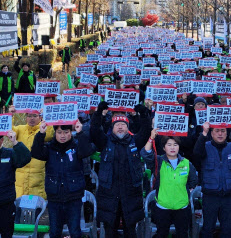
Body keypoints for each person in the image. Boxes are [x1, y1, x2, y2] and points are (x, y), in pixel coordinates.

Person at [90, 101, 151, 237]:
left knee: (130, 230)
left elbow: (146, 130)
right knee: (110, 230)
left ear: (127, 127)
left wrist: (144, 113)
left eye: (123, 124)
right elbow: (94, 130)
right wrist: (99, 112)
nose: (120, 127)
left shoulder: (135, 141)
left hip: (131, 193)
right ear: (112, 127)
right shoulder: (105, 142)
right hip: (109, 194)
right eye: (117, 124)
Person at [31, 120, 95, 238]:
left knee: (75, 231)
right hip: (54, 196)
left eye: (66, 132)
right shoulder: (50, 147)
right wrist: (41, 133)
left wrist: (80, 133)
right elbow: (35, 152)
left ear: (71, 132)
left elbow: (87, 151)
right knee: (54, 231)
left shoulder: (76, 147)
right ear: (55, 133)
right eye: (59, 132)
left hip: (74, 196)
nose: (63, 135)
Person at [193, 121, 231, 237]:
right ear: (212, 133)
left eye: (223, 131)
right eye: (217, 131)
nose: (220, 134)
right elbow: (197, 153)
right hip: (210, 196)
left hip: (228, 196)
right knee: (208, 228)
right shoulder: (205, 146)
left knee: (227, 229)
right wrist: (204, 133)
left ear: (227, 133)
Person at [141, 131, 198, 237]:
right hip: (162, 207)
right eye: (169, 145)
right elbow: (145, 154)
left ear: (179, 147)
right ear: (164, 148)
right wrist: (151, 138)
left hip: (182, 207)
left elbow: (193, 181)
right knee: (162, 234)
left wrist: (185, 193)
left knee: (182, 234)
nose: (172, 147)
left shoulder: (186, 163)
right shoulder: (159, 161)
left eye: (175, 145)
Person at [9, 105, 54, 199]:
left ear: (40, 117)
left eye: (34, 116)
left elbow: (49, 135)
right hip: (20, 177)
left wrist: (47, 117)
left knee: (36, 208)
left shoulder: (43, 129)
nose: (31, 118)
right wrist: (10, 115)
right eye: (29, 116)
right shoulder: (20, 129)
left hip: (37, 176)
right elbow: (9, 130)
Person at [0, 130, 31, 238]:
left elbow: (26, 158)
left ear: (2, 140)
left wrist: (15, 142)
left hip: (6, 203)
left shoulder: (9, 153)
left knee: (7, 233)